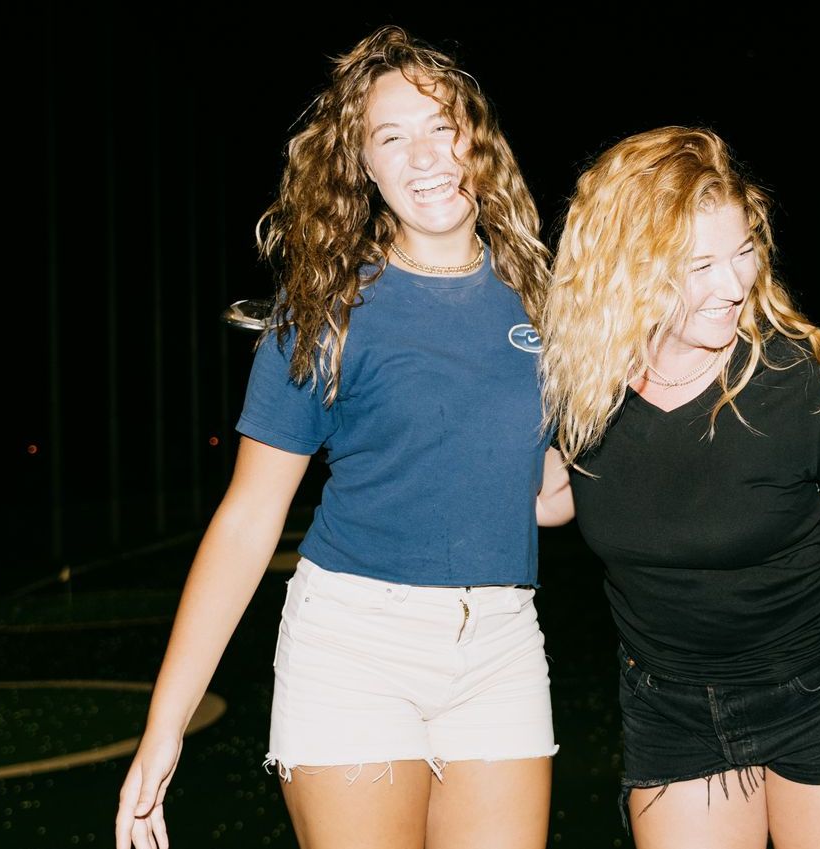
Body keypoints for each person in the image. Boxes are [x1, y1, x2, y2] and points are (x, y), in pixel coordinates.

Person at [113, 25, 569, 849]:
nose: (425, 155)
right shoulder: (325, 312)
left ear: (478, 141)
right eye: (392, 137)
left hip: (501, 646)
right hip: (357, 648)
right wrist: (165, 724)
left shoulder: (539, 302)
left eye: (442, 127)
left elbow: (545, 499)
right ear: (363, 166)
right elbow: (249, 521)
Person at [538, 126, 820, 849]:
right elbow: (553, 500)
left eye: (742, 251)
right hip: (671, 705)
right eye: (697, 266)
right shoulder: (578, 387)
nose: (734, 284)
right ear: (623, 269)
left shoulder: (799, 382)